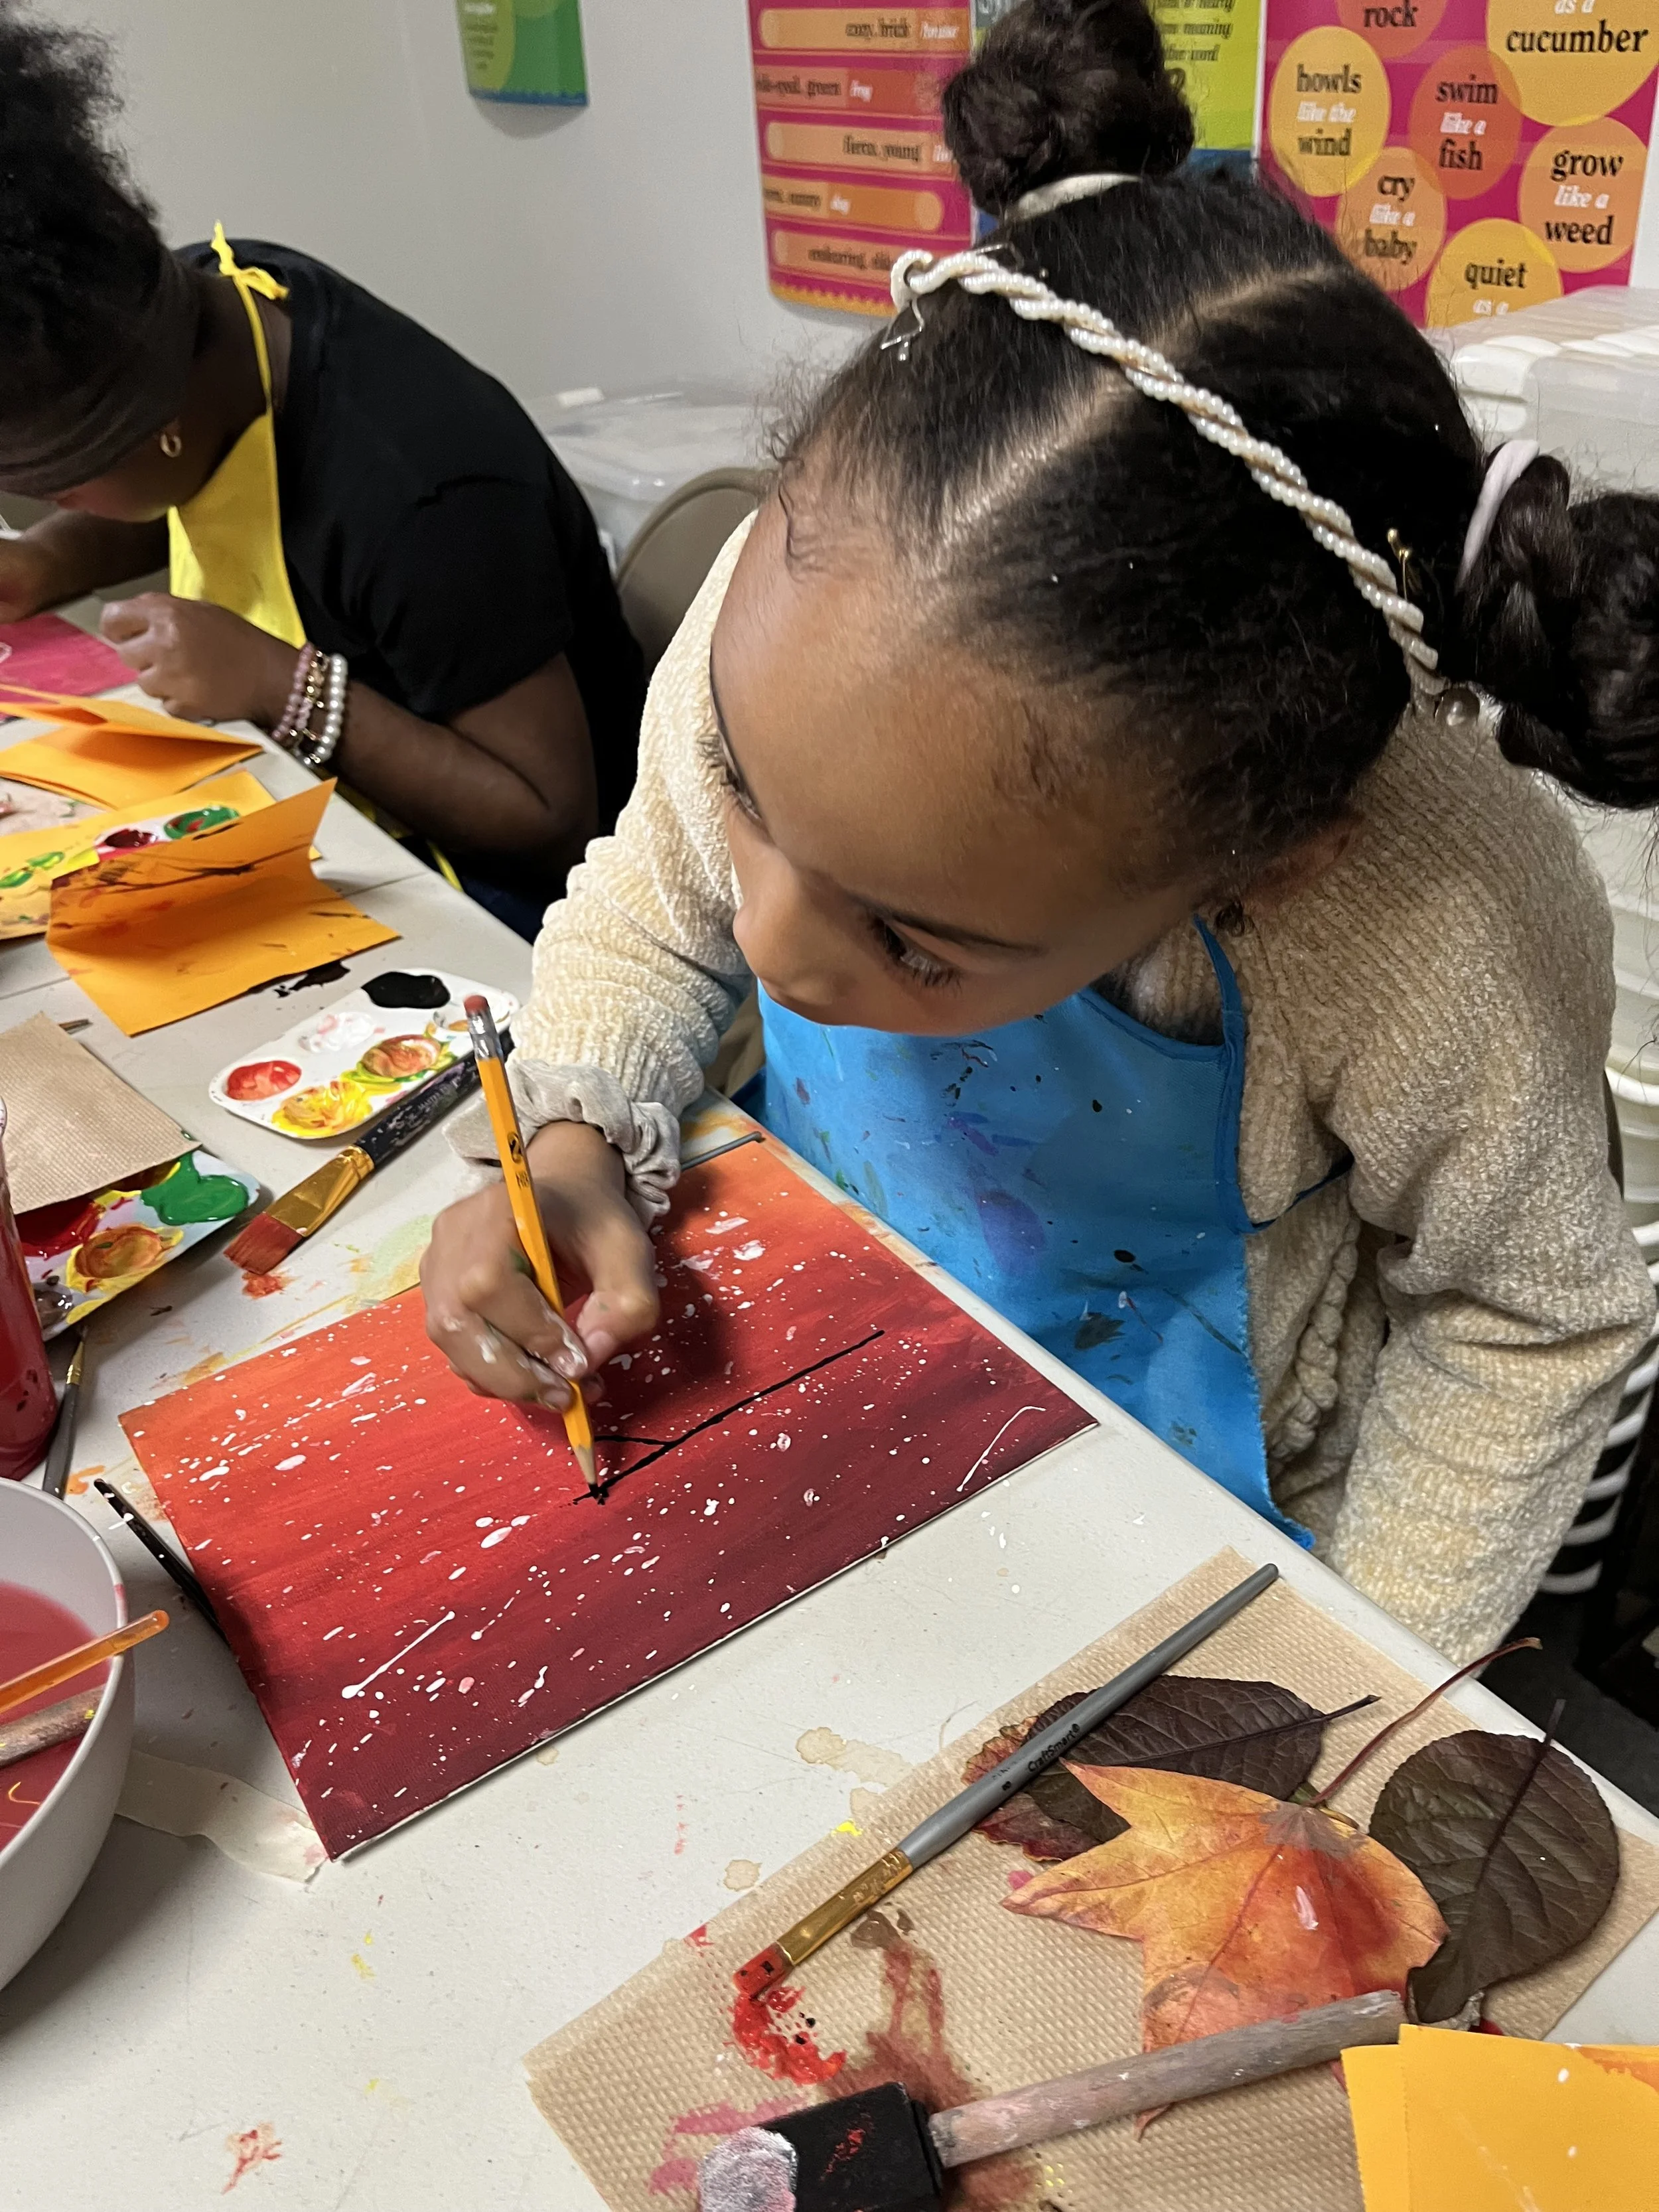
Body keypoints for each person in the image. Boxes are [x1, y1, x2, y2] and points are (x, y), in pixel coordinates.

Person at [419, 0, 1658, 1662]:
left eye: (911, 938)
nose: (773, 951)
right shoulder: (800, 609)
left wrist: (1348, 1666)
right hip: (868, 1360)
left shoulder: (1418, 915)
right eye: (748, 793)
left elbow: (1524, 1320)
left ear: (1261, 863)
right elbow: (657, 904)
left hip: (1209, 1516)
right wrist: (574, 1139)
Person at [0, 11, 644, 939]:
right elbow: (185, 484)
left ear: (153, 429)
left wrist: (273, 682)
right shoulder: (206, 314)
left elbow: (552, 824)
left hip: (529, 907)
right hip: (341, 813)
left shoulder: (425, 495)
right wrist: (46, 564)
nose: (56, 511)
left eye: (58, 490)